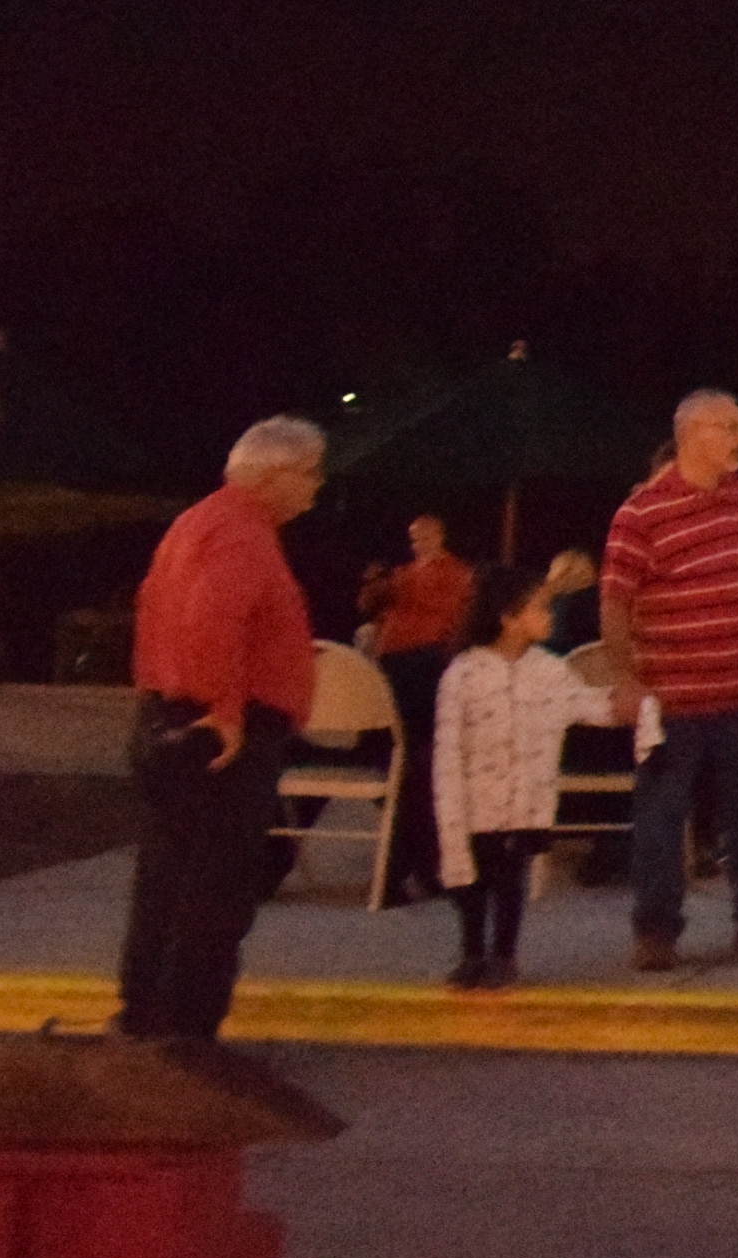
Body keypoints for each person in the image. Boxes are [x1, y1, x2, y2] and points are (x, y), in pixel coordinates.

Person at [117, 417, 326, 1039]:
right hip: (219, 730)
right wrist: (227, 713)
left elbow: (157, 612)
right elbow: (215, 617)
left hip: (176, 717)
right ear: (275, 474)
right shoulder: (240, 534)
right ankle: (184, 1028)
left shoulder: (200, 524)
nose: (317, 485)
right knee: (214, 886)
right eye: (311, 471)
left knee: (168, 877)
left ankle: (145, 1015)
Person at [599, 388, 738, 972]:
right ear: (692, 434)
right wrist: (625, 678)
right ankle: (656, 930)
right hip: (672, 698)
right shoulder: (642, 513)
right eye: (728, 427)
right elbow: (615, 603)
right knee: (661, 818)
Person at [431, 560, 616, 990]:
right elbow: (448, 748)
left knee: (510, 879)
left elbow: (585, 704)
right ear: (508, 618)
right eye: (539, 608)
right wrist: (449, 806)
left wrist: (629, 704)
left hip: (525, 804)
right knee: (472, 881)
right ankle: (472, 952)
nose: (549, 616)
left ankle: (503, 953)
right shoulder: (463, 674)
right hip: (475, 802)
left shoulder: (548, 672)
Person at [365, 512, 477, 902]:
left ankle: (409, 867)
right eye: (414, 537)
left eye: (425, 535)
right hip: (399, 669)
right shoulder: (402, 574)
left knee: (418, 770)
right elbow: (372, 607)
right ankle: (419, 866)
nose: (419, 543)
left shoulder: (455, 574)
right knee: (412, 770)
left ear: (440, 535)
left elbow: (454, 617)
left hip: (427, 666)